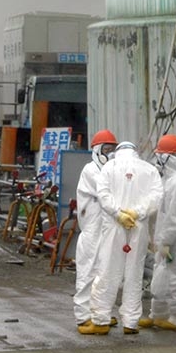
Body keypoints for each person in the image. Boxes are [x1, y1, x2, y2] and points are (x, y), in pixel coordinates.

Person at [79, 141, 163, 336]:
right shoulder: (149, 169)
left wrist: (119, 214)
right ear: (135, 152)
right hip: (138, 225)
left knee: (108, 272)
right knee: (134, 273)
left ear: (118, 152)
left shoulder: (109, 167)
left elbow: (103, 194)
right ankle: (131, 322)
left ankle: (100, 320)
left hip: (114, 225)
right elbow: (156, 197)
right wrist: (137, 212)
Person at [139, 134, 176, 333]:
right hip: (167, 239)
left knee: (175, 278)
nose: (158, 161)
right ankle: (159, 315)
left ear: (167, 158)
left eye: (160, 156)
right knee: (161, 277)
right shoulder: (171, 179)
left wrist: (166, 241)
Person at [73, 129, 119, 331]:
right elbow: (108, 192)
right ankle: (83, 316)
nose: (111, 153)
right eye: (107, 149)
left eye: (113, 149)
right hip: (92, 232)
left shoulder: (110, 171)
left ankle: (101, 313)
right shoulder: (91, 170)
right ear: (97, 150)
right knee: (87, 274)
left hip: (105, 231)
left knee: (105, 273)